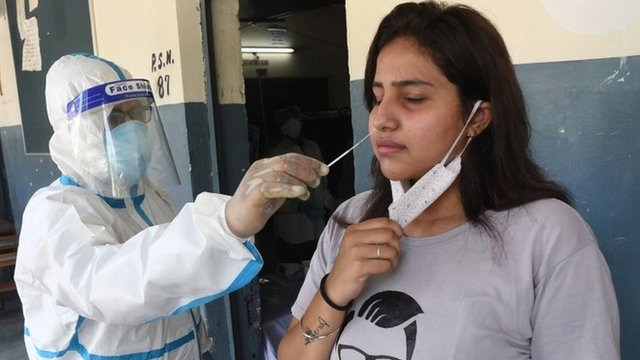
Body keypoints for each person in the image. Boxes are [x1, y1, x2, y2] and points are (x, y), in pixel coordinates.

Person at [278, 2, 620, 360]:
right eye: (378, 98)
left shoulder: (548, 236)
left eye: (412, 98)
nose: (381, 119)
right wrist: (334, 291)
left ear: (477, 118)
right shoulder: (350, 220)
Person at [13, 53, 329, 360]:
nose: (131, 128)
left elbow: (174, 290)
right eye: (115, 117)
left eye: (137, 114)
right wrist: (226, 223)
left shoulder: (150, 197)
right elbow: (117, 287)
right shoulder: (53, 213)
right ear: (75, 131)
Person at [265, 105, 335, 265]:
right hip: (291, 225)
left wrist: (328, 201)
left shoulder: (312, 147)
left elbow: (323, 180)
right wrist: (297, 208)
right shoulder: (276, 153)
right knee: (295, 262)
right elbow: (274, 190)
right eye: (288, 120)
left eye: (295, 118)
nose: (294, 123)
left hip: (317, 221)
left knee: (317, 261)